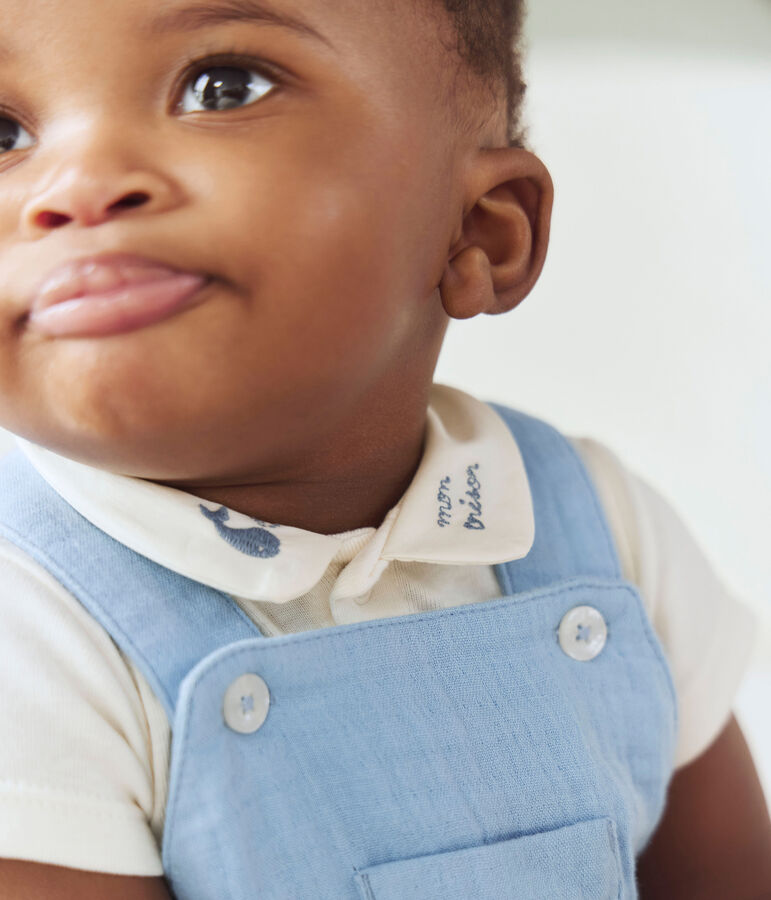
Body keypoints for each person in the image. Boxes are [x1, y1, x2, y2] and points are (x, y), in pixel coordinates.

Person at [0, 0, 768, 897]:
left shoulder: (599, 530)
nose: (76, 186)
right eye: (6, 134)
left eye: (221, 87)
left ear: (481, 232)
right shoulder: (31, 628)